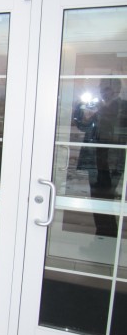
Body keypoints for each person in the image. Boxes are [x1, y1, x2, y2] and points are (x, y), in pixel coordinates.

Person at [73, 78, 126, 237]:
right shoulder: (93, 104)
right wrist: (86, 116)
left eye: (107, 88)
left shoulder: (123, 106)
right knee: (96, 198)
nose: (104, 91)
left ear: (116, 89)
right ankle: (102, 234)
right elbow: (81, 125)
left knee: (107, 199)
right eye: (102, 87)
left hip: (114, 160)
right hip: (94, 160)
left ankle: (109, 236)